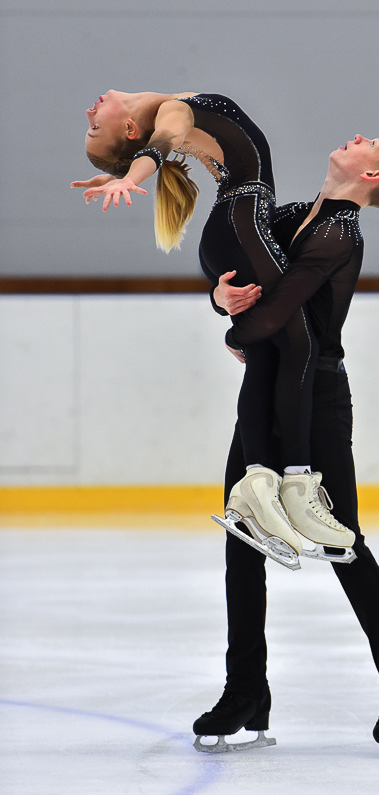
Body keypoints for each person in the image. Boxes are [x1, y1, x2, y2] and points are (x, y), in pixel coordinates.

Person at [192, 132, 379, 755]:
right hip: (265, 390)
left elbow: (278, 313)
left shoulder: (340, 233)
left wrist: (241, 328)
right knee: (244, 535)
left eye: (373, 143)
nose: (358, 137)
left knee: (343, 543)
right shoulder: (289, 215)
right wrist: (220, 296)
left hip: (317, 397)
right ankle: (245, 690)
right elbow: (245, 282)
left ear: (374, 177)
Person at [70, 90, 355, 564]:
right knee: (299, 347)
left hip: (233, 229)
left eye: (91, 122)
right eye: (96, 124)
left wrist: (124, 171)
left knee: (269, 353)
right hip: (241, 226)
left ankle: (260, 482)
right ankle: (294, 484)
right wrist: (133, 175)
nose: (90, 109)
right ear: (130, 131)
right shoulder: (169, 114)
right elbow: (161, 143)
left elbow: (159, 150)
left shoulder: (171, 113)